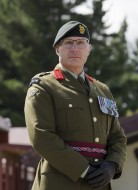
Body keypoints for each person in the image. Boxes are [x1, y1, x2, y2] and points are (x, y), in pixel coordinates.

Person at [24, 21, 127, 190]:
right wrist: (83, 169)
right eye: (69, 43)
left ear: (89, 49)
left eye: (80, 43)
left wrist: (112, 165)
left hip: (98, 185)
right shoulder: (43, 86)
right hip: (59, 183)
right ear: (58, 49)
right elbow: (41, 136)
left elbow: (117, 137)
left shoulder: (103, 91)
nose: (75, 48)